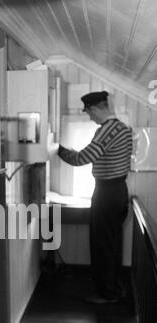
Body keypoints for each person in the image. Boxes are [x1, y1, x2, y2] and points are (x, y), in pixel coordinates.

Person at [47, 90, 133, 304]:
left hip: (107, 193)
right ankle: (113, 288)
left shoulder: (106, 130)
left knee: (102, 243)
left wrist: (56, 149)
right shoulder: (123, 128)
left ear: (96, 108)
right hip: (118, 190)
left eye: (89, 113)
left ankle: (107, 293)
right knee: (111, 242)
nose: (90, 117)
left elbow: (81, 159)